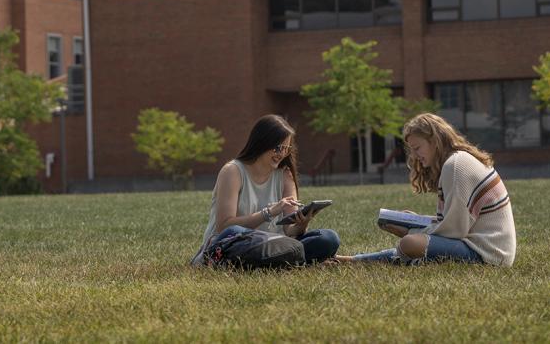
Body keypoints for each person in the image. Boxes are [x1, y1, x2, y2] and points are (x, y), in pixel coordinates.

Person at [343, 112, 516, 266]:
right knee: (412, 242)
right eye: (412, 150)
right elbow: (454, 221)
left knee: (410, 243)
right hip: (482, 246)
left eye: (417, 148)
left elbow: (453, 230)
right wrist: (418, 220)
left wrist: (410, 230)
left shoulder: (455, 166)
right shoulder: (457, 161)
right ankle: (353, 260)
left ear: (434, 141)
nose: (415, 156)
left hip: (488, 254)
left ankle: (361, 260)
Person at [192, 114, 340, 267]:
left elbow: (289, 230)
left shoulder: (285, 175)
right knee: (238, 232)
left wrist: (301, 224)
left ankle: (289, 262)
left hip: (277, 246)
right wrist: (268, 213)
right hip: (234, 245)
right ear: (262, 143)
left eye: (286, 149)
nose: (281, 154)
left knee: (328, 238)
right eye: (278, 148)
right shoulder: (233, 171)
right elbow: (224, 226)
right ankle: (305, 263)